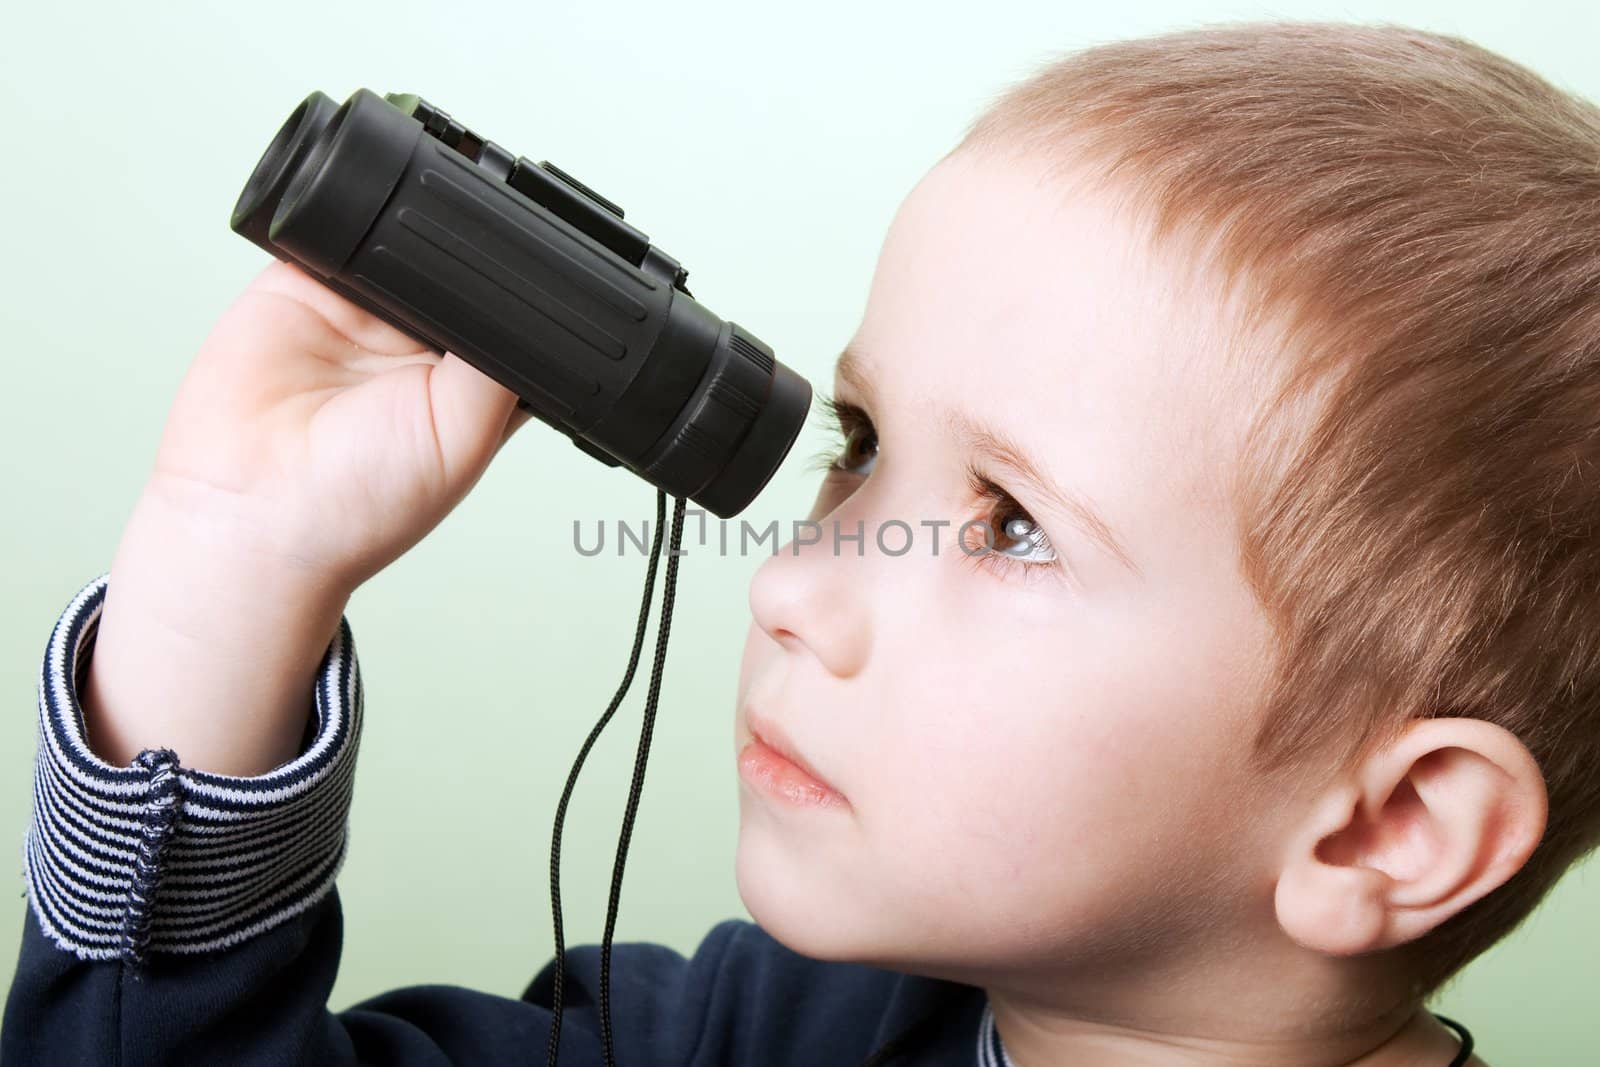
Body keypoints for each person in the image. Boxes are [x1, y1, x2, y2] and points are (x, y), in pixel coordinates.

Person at [9, 19, 1599, 1066]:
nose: (793, 585)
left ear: (1390, 828)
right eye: (862, 448)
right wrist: (232, 567)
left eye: (1012, 528)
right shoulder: (757, 1031)